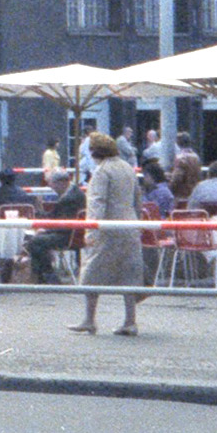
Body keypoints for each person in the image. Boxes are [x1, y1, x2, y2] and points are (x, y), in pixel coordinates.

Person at [69, 134, 147, 335]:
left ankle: (89, 319)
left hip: (108, 229)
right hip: (129, 226)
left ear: (95, 152)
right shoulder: (127, 168)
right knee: (130, 274)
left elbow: (97, 203)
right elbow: (137, 200)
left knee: (91, 272)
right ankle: (130, 321)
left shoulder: (102, 172)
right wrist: (136, 222)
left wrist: (91, 230)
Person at [25, 168, 86, 284]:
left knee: (35, 242)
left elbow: (63, 224)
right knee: (37, 240)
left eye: (51, 184)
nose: (51, 188)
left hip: (67, 236)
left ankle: (48, 276)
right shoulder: (76, 193)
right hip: (75, 235)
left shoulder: (68, 199)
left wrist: (45, 229)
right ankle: (42, 277)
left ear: (61, 182)